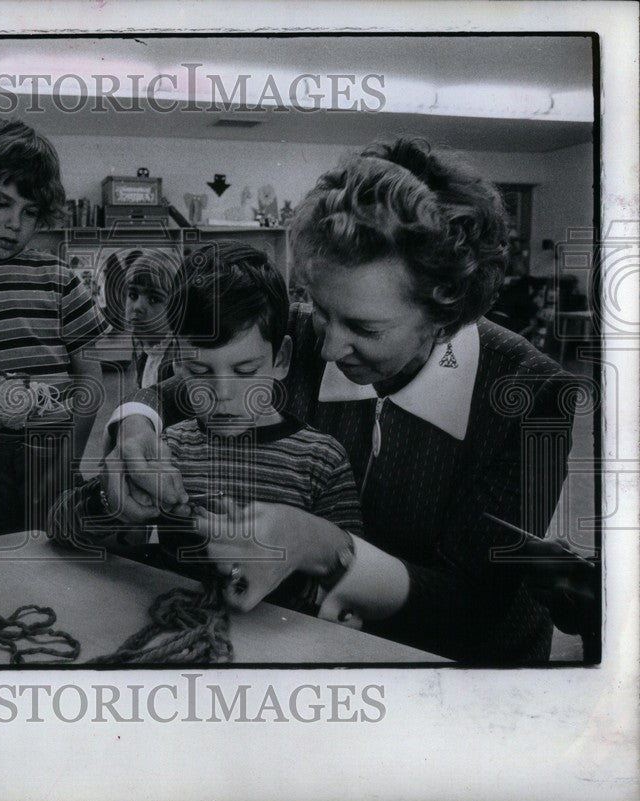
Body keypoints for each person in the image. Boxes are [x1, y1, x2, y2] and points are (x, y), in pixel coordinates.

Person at [101, 138, 582, 664]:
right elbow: (170, 393)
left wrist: (328, 547)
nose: (328, 347)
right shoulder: (302, 340)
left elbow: (475, 604)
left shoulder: (533, 395)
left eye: (364, 328)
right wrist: (135, 427)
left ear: (446, 315)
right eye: (320, 310)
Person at [49, 242, 364, 616]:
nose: (223, 395)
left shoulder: (321, 461)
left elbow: (355, 583)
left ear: (281, 360)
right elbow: (59, 524)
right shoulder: (167, 451)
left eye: (246, 371)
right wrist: (106, 500)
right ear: (178, 365)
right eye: (199, 372)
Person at [0, 117, 107, 541]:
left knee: (60, 562)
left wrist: (69, 459)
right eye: (1, 203)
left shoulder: (58, 276)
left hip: (55, 447)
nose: (16, 222)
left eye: (29, 211)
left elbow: (90, 375)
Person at [124, 248, 182, 390]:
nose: (137, 307)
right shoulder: (146, 350)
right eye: (133, 295)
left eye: (154, 299)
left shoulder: (180, 362)